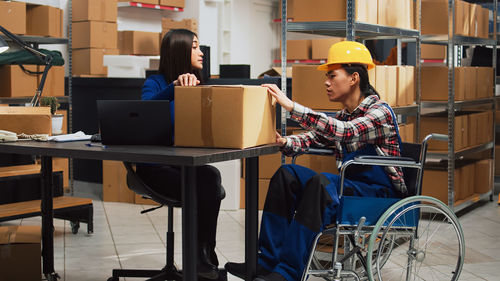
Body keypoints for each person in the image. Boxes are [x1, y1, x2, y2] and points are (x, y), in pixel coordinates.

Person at [225, 41, 406, 281]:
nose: (326, 82)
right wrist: (284, 142)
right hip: (351, 188)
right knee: (286, 175)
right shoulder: (345, 115)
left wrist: (291, 107)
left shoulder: (379, 112)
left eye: (332, 75)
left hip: (377, 195)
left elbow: (345, 132)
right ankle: (267, 261)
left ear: (354, 78)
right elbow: (314, 138)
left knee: (321, 184)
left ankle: (288, 273)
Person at [139, 29, 225, 280]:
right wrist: (174, 87)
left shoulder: (199, 86)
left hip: (185, 164)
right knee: (208, 186)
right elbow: (145, 113)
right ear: (179, 50)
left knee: (210, 177)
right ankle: (202, 258)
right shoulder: (154, 84)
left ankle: (203, 254)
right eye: (195, 47)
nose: (201, 53)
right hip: (155, 167)